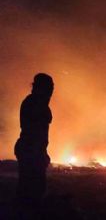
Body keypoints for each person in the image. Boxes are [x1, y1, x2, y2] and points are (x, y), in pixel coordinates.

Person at [14, 73, 54, 212]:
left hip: (31, 150)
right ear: (40, 88)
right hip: (30, 150)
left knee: (32, 190)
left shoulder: (36, 103)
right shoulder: (34, 104)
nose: (51, 92)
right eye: (49, 87)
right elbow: (35, 132)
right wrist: (39, 153)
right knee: (31, 191)